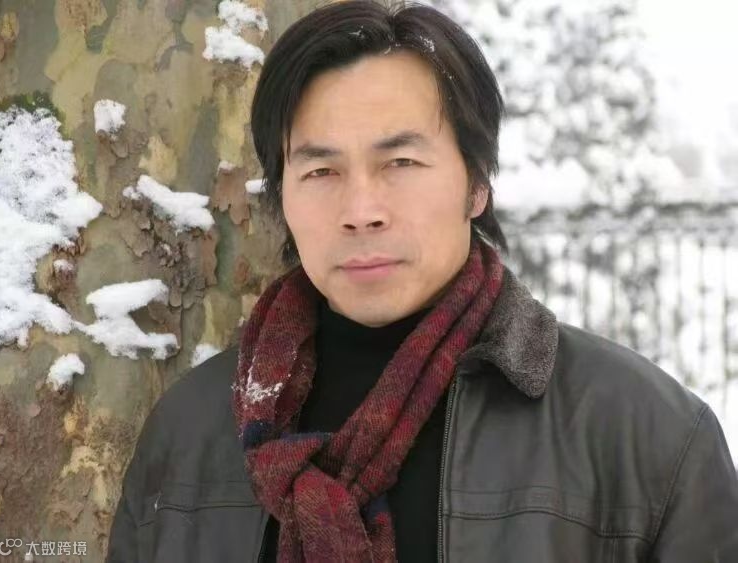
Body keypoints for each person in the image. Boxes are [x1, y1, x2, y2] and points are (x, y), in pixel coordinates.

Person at [105, 1, 738, 561]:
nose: (361, 210)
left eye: (401, 162)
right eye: (321, 172)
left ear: (477, 184)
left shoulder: (643, 436)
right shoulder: (188, 435)